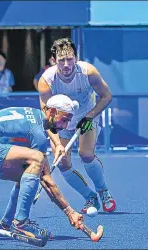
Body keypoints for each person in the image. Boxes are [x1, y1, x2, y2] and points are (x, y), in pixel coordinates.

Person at [0, 94, 84, 243]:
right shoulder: (37, 134)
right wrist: (69, 211)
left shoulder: (35, 115)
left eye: (69, 121)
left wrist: (58, 144)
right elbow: (46, 180)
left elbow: (49, 129)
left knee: (26, 173)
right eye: (64, 120)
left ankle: (6, 223)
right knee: (37, 159)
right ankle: (21, 222)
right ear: (52, 112)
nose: (65, 126)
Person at [38, 37, 116, 214]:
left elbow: (106, 96)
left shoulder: (88, 72)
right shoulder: (46, 81)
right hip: (60, 123)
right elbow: (47, 117)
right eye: (61, 60)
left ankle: (103, 190)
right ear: (53, 61)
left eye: (70, 58)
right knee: (63, 163)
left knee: (86, 154)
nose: (66, 64)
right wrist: (57, 144)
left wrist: (89, 117)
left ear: (76, 57)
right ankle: (90, 196)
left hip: (86, 116)